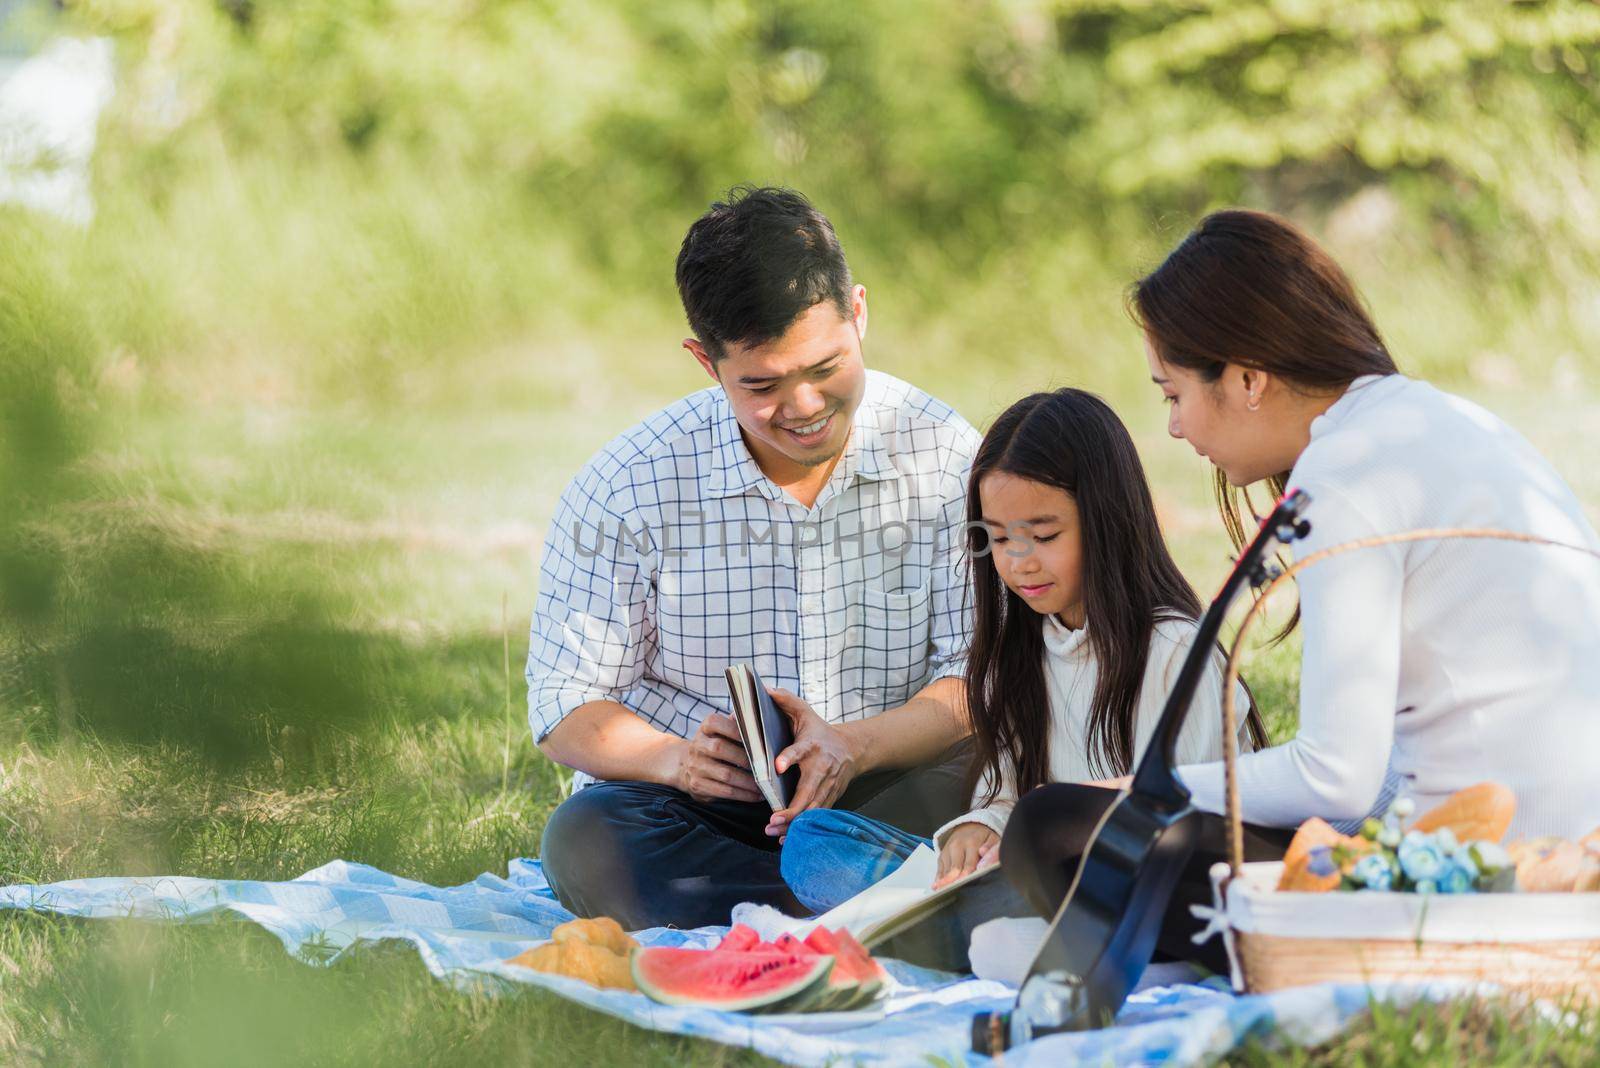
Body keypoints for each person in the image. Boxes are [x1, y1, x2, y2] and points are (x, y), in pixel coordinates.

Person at [1003, 209, 1600, 967]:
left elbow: (1336, 776)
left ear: (1248, 379)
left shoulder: (1346, 474)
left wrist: (1146, 787)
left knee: (1053, 827)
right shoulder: (1433, 421)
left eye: (1172, 394)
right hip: (1561, 840)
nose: (1178, 428)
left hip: (1483, 880)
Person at [527, 187, 981, 931]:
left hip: (882, 786)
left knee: (1011, 773)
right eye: (763, 385)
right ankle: (898, 914)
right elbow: (562, 702)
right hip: (704, 812)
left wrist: (854, 748)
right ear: (706, 362)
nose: (803, 407)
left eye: (826, 367)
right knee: (585, 838)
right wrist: (676, 760)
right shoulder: (627, 485)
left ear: (858, 313)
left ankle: (814, 911)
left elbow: (979, 676)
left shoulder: (945, 454)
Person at [780, 389, 1268, 968]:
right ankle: (954, 929)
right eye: (1000, 538)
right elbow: (1005, 789)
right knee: (811, 846)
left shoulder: (1173, 652)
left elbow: (1178, 829)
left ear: (1108, 522)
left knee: (1017, 893)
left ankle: (947, 933)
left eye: (1044, 535)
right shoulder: (1022, 650)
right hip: (1028, 873)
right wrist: (977, 827)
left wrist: (1026, 849)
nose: (1019, 562)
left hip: (1138, 884)